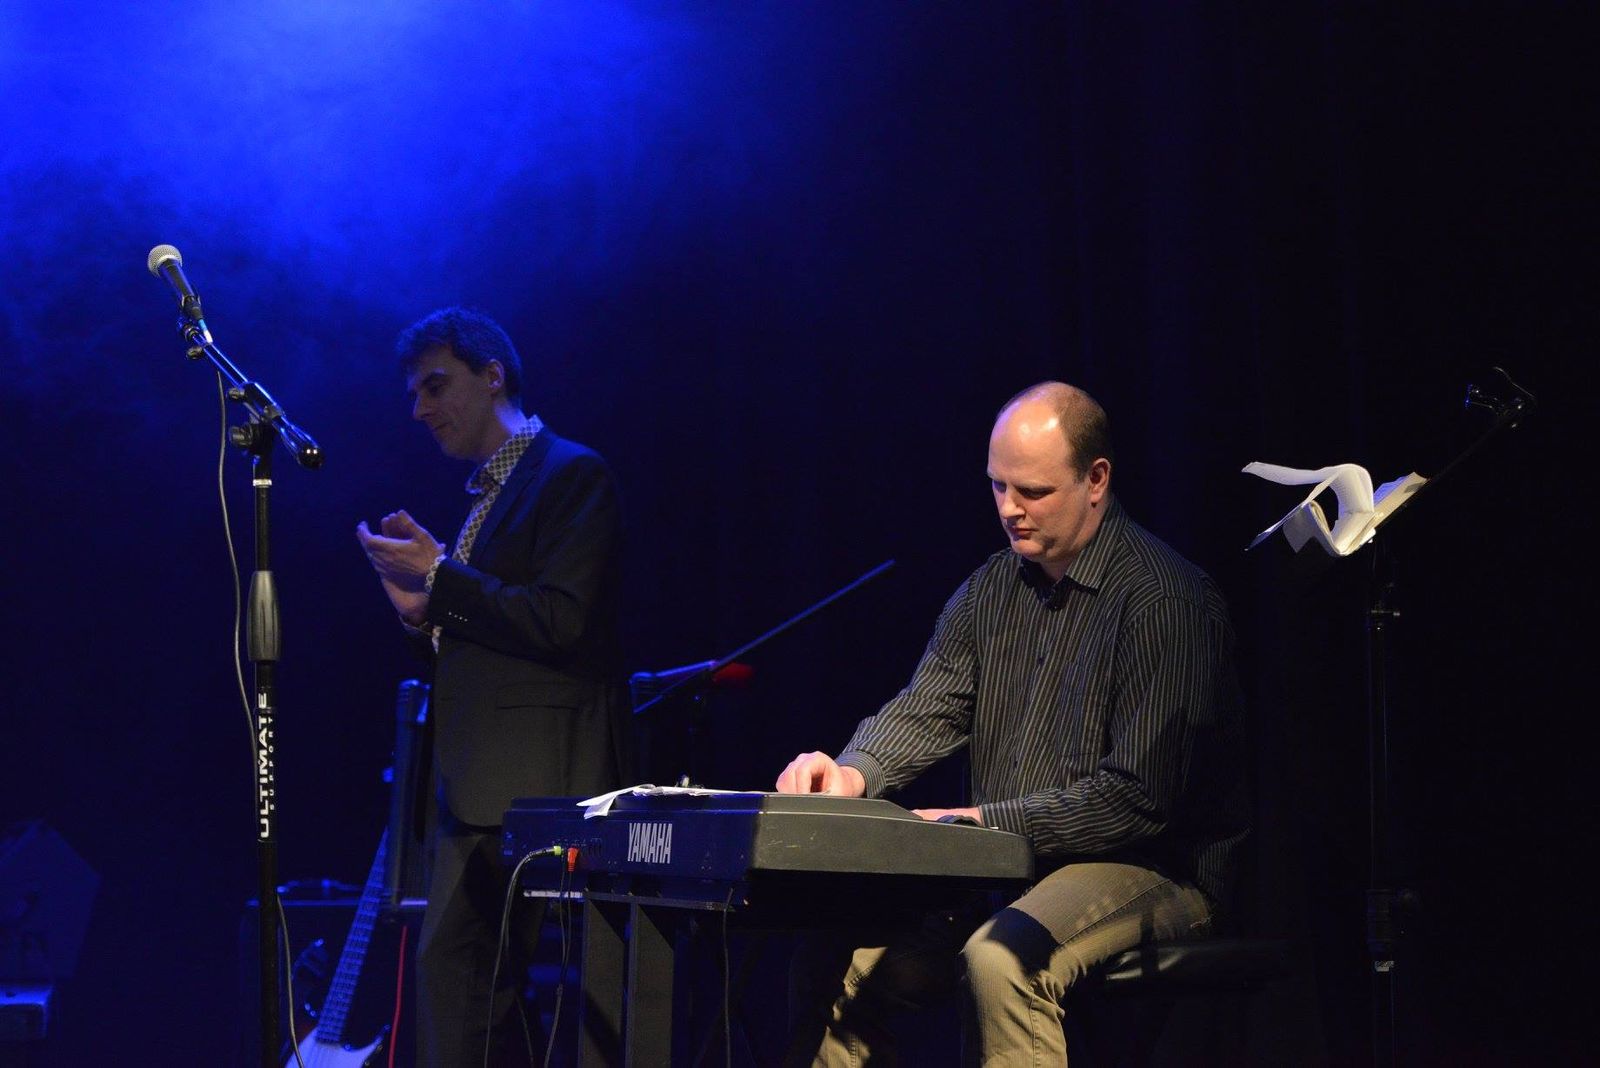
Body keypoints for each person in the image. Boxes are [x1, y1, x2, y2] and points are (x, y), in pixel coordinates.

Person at [776, 381, 1248, 1065]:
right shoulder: (991, 590)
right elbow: (927, 707)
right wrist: (852, 774)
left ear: (1096, 480)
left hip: (1154, 871)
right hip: (1008, 868)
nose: (1008, 508)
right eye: (998, 486)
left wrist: (979, 824)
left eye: (1032, 491)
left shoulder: (1165, 601)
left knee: (1003, 960)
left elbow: (1140, 800)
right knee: (837, 960)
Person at [357, 307, 630, 1066]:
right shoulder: (487, 496)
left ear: (492, 375)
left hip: (544, 780)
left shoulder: (570, 474)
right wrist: (422, 613)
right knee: (461, 995)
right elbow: (490, 641)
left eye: (435, 386)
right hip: (474, 785)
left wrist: (441, 577)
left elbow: (564, 620)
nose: (420, 410)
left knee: (491, 992)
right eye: (414, 395)